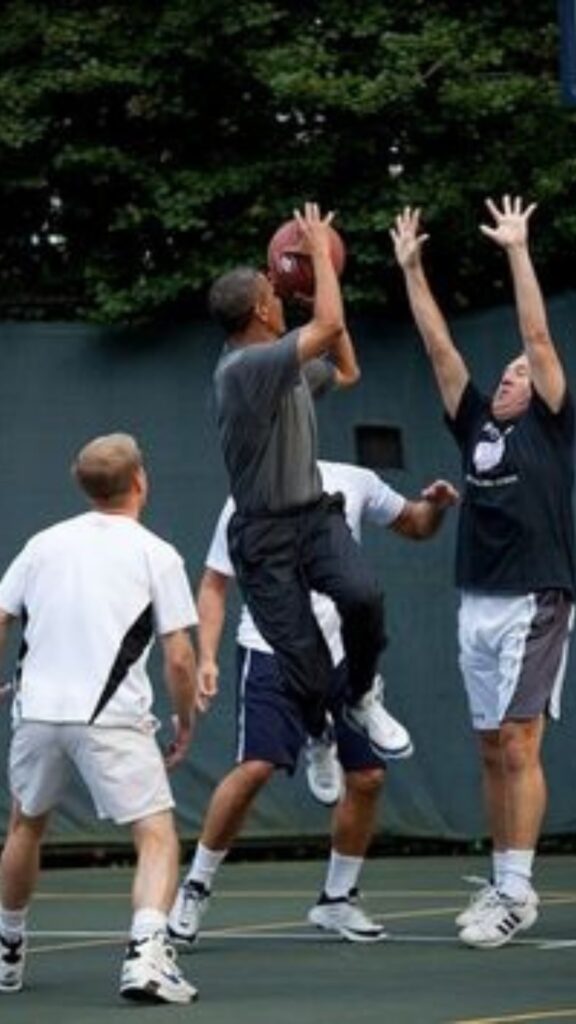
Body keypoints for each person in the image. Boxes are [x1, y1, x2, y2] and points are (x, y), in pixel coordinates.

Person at [168, 460, 458, 944]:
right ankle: (196, 886)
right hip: (270, 650)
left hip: (342, 654)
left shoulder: (356, 480)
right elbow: (215, 583)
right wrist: (207, 659)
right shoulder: (248, 494)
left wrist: (438, 506)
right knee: (256, 767)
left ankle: (337, 900)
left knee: (367, 777)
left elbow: (415, 523)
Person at [391, 196, 575, 949]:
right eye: (504, 371)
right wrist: (411, 270)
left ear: (539, 384)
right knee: (489, 747)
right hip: (477, 599)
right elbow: (439, 350)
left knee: (520, 741)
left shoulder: (554, 424)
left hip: (537, 594)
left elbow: (534, 334)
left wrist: (516, 249)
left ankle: (519, 890)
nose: (510, 374)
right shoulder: (477, 425)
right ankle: (504, 879)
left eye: (520, 371)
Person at [0, 433, 199, 1003]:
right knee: (157, 835)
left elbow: (1, 616)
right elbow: (180, 657)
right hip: (111, 718)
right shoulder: (155, 553)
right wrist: (185, 719)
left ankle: (8, 949)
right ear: (140, 481)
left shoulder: (41, 544)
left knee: (24, 828)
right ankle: (147, 957)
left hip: (37, 715)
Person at [210, 201, 397, 759]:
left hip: (313, 516)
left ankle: (363, 695)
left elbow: (346, 367)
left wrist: (318, 291)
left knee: (363, 597)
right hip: (264, 537)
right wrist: (320, 256)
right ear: (264, 311)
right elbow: (332, 326)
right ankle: (319, 733)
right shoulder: (246, 370)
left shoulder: (283, 363)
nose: (278, 292)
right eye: (272, 292)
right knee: (307, 664)